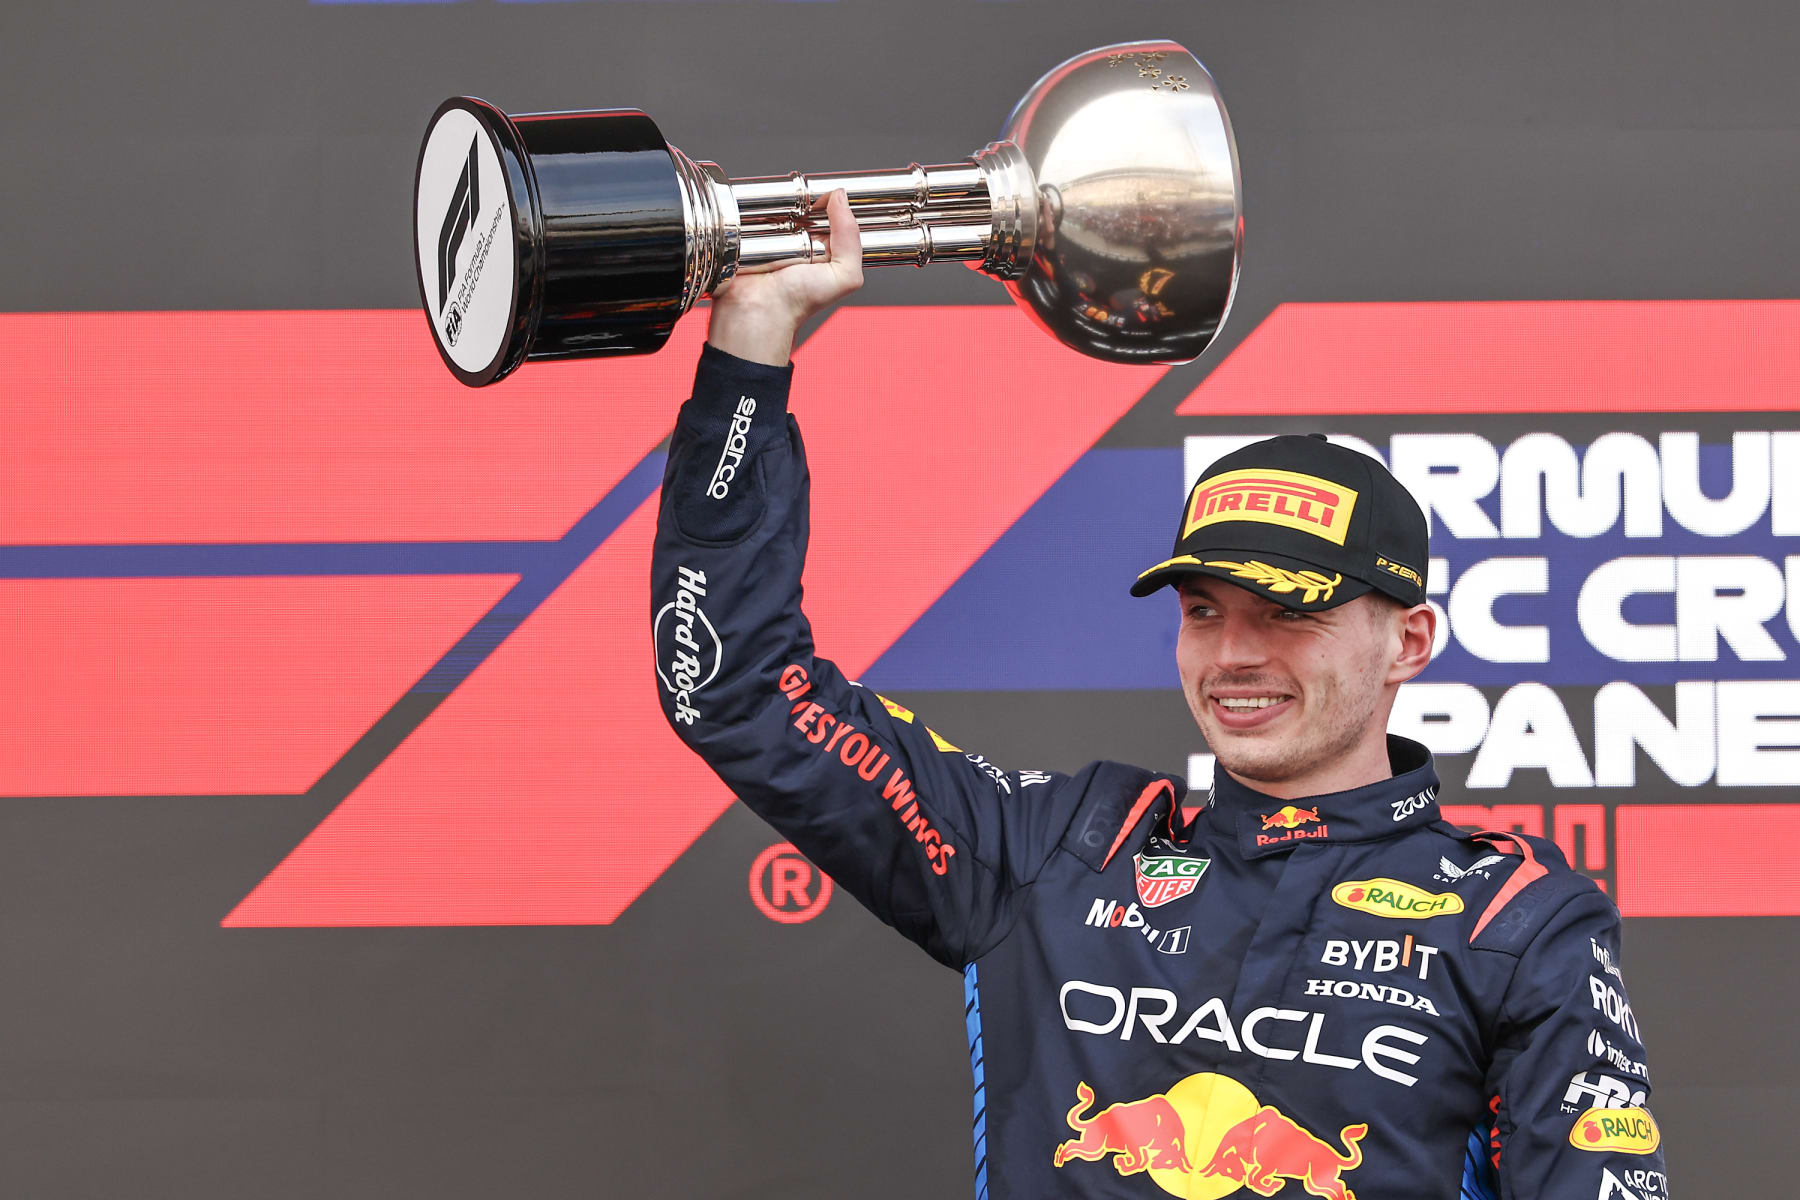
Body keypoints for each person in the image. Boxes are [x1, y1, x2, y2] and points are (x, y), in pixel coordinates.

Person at [651, 192, 1667, 1200]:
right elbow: (733, 683)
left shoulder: (1514, 924)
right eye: (1203, 611)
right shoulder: (1052, 853)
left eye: (1289, 614)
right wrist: (751, 342)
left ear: (1408, 642)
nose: (1234, 655)